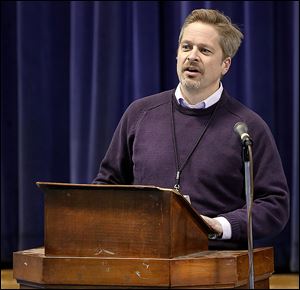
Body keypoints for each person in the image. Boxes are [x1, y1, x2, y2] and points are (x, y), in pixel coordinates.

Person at [93, 9, 289, 249]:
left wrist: (220, 225)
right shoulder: (139, 113)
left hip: (215, 263)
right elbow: (107, 186)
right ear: (177, 54)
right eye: (186, 47)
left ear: (225, 64)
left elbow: (274, 204)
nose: (192, 56)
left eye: (204, 50)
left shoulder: (247, 128)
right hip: (142, 257)